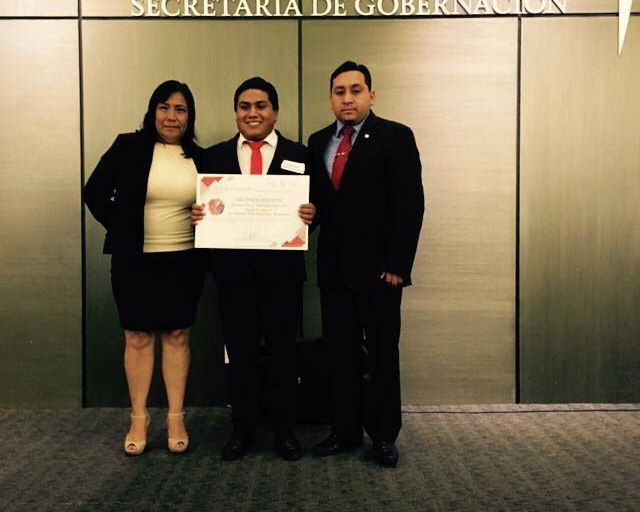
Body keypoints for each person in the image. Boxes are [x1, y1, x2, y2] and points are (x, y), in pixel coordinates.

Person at [192, 77, 315, 462]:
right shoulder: (213, 158)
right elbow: (205, 209)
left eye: (261, 106)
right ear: (236, 113)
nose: (252, 113)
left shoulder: (301, 156)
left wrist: (312, 215)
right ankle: (242, 430)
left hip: (283, 278)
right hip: (234, 278)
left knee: (283, 356)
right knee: (240, 356)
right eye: (244, 106)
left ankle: (284, 432)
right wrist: (198, 214)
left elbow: (320, 208)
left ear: (275, 112)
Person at [308, 61, 424, 467]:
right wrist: (307, 215)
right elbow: (319, 203)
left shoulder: (396, 136)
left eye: (355, 90)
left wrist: (398, 264)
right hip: (334, 271)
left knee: (381, 355)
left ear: (371, 95)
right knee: (340, 355)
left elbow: (410, 204)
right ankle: (344, 430)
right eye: (339, 91)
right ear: (330, 99)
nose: (347, 98)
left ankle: (384, 435)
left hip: (380, 272)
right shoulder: (318, 141)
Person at [84, 80, 207, 456]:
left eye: (180, 109)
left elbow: (217, 204)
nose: (172, 116)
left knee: (177, 336)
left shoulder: (201, 157)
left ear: (189, 117)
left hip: (183, 260)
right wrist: (122, 227)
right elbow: (94, 192)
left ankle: (175, 418)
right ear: (153, 111)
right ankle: (138, 418)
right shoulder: (128, 146)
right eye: (164, 107)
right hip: (134, 261)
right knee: (137, 338)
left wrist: (206, 215)